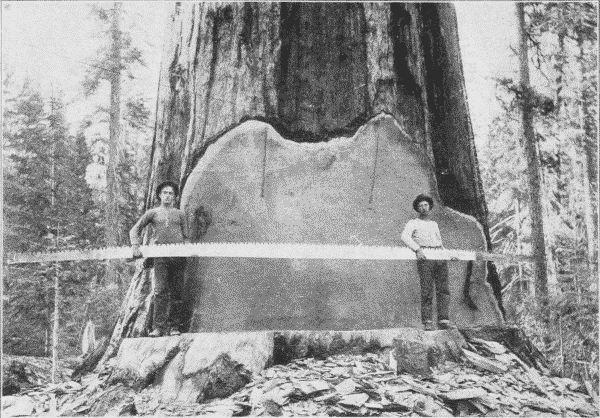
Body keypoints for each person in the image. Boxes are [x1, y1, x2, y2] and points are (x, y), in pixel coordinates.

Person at [130, 181, 190, 337]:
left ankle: (174, 327)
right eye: (165, 193)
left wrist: (186, 250)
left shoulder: (180, 214)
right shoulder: (153, 213)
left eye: (171, 193)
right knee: (160, 291)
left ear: (175, 197)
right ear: (159, 195)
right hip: (160, 257)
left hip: (178, 257)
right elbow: (135, 229)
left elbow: (186, 236)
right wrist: (135, 246)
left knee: (177, 291)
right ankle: (158, 327)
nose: (168, 196)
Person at [401, 194, 454, 331]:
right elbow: (404, 237)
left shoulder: (434, 224)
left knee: (443, 289)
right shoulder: (413, 223)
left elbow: (439, 242)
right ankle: (427, 321)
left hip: (439, 256)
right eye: (420, 206)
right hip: (425, 258)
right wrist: (417, 250)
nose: (423, 208)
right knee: (427, 290)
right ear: (417, 209)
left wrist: (446, 254)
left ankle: (443, 320)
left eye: (425, 205)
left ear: (429, 206)